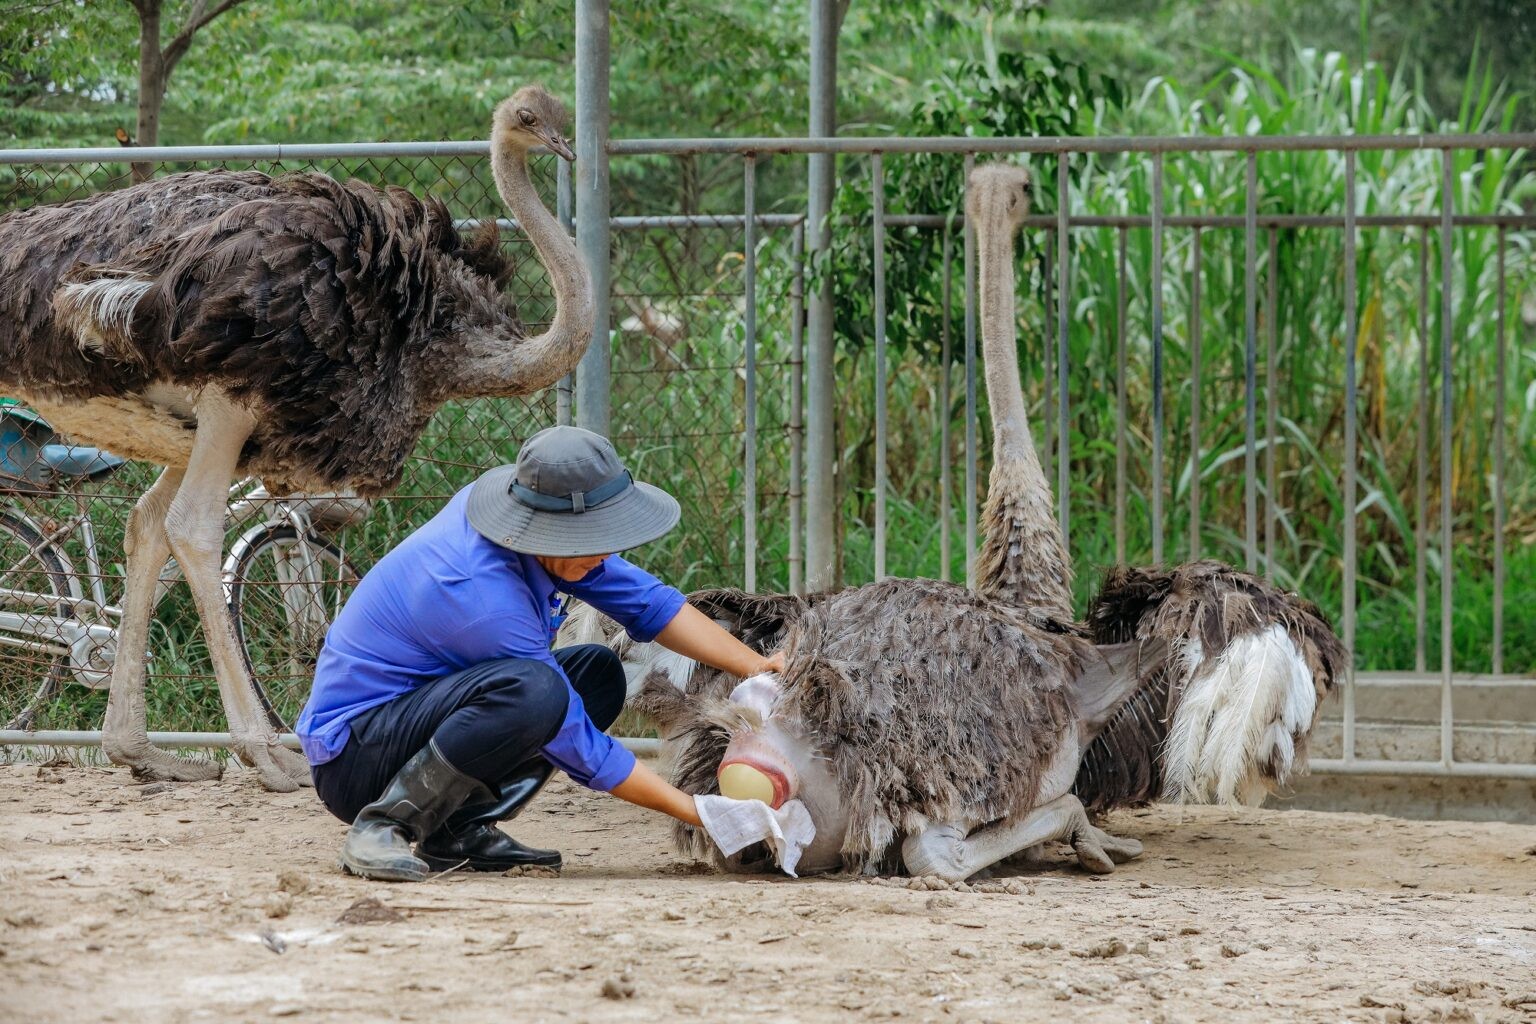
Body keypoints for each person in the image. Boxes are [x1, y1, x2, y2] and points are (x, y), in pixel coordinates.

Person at [296, 426, 783, 882]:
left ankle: (454, 831)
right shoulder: (481, 595)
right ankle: (385, 825)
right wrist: (700, 811)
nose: (604, 549)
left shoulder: (539, 533)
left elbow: (649, 603)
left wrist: (760, 667)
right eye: (591, 535)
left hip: (416, 718)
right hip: (356, 759)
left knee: (597, 673)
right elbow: (573, 738)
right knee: (539, 691)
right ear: (547, 530)